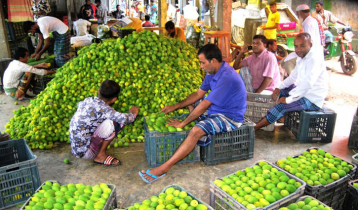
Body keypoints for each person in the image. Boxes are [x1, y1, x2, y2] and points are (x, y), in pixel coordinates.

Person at [139, 44, 247, 183]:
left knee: (195, 130)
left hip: (229, 116)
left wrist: (184, 123)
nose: (201, 66)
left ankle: (163, 168)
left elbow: (205, 104)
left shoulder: (226, 77)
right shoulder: (212, 72)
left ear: (213, 60)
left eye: (203, 62)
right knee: (192, 101)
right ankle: (199, 123)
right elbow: (198, 94)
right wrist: (175, 106)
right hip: (216, 109)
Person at [254, 33, 328, 131]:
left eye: (302, 46)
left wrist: (288, 100)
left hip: (312, 99)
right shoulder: (302, 58)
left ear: (310, 44)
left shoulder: (314, 59)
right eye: (296, 46)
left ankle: (255, 128)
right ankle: (282, 117)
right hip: (303, 92)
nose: (298, 49)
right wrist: (279, 87)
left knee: (281, 106)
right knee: (281, 91)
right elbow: (293, 77)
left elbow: (307, 85)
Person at [70, 80, 139, 166]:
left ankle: (97, 151)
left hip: (76, 148)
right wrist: (133, 113)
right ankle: (100, 156)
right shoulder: (105, 109)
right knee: (116, 123)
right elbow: (125, 119)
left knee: (99, 121)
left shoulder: (87, 100)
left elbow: (80, 106)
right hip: (87, 152)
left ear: (98, 90)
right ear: (114, 99)